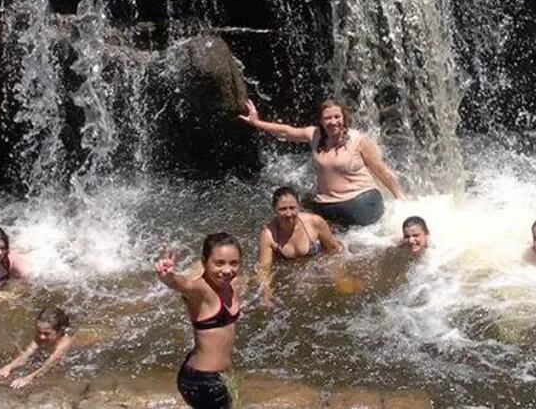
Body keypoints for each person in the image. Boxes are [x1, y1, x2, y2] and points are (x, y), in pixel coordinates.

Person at [239, 98, 407, 226]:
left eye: (337, 117)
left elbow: (381, 170)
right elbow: (286, 131)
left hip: (361, 202)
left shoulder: (360, 141)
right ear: (321, 120)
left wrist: (400, 197)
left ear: (344, 118)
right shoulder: (314, 135)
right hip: (326, 205)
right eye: (328, 118)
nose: (333, 122)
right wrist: (257, 122)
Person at [156, 232, 242, 409]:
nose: (227, 270)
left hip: (218, 376)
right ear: (204, 262)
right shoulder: (201, 291)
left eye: (234, 263)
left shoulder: (230, 286)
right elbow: (184, 285)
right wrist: (169, 277)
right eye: (219, 263)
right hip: (202, 381)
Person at [257, 187, 343, 305]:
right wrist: (266, 293)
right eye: (282, 209)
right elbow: (264, 270)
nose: (288, 213)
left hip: (318, 265)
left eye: (292, 208)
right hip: (291, 272)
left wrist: (338, 276)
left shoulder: (314, 222)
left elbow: (334, 250)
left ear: (299, 207)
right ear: (274, 210)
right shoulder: (268, 234)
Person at [0, 306, 74, 389]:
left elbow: (49, 365)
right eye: (39, 332)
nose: (41, 337)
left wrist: (29, 378)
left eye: (46, 333)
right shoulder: (40, 337)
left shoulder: (64, 343)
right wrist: (7, 367)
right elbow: (26, 354)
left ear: (60, 331)